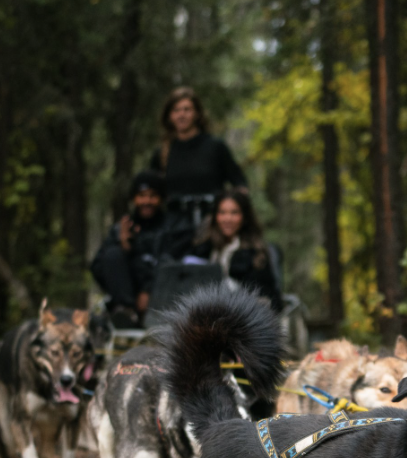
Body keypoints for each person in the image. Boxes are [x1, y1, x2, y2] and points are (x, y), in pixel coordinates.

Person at [149, 87, 247, 222]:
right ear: (169, 116)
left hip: (212, 223)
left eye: (186, 109)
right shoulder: (162, 153)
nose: (181, 115)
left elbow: (239, 184)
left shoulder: (215, 147)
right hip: (173, 227)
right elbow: (150, 194)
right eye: (176, 110)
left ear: (197, 114)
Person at [91, 172, 170, 327]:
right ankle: (126, 314)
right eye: (141, 195)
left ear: (161, 198)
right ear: (134, 198)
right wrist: (123, 247)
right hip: (127, 301)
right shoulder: (121, 230)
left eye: (152, 195)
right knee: (113, 254)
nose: (147, 201)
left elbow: (171, 264)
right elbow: (97, 268)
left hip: (162, 299)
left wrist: (148, 291)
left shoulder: (171, 228)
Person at [186, 190, 281, 309]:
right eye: (222, 212)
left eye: (234, 213)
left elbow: (269, 297)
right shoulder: (203, 247)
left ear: (244, 217)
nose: (228, 219)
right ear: (215, 216)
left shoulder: (256, 253)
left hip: (242, 315)